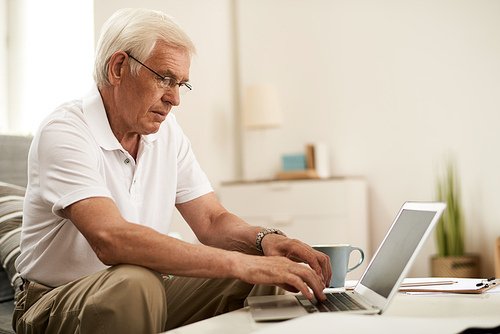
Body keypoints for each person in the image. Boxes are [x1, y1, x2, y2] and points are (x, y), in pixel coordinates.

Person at [13, 8, 331, 334]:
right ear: (119, 67)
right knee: (137, 282)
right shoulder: (65, 130)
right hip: (53, 300)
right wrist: (241, 262)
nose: (175, 98)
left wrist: (263, 241)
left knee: (264, 277)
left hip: (143, 289)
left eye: (181, 84)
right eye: (165, 79)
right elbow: (110, 239)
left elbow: (211, 221)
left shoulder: (166, 132)